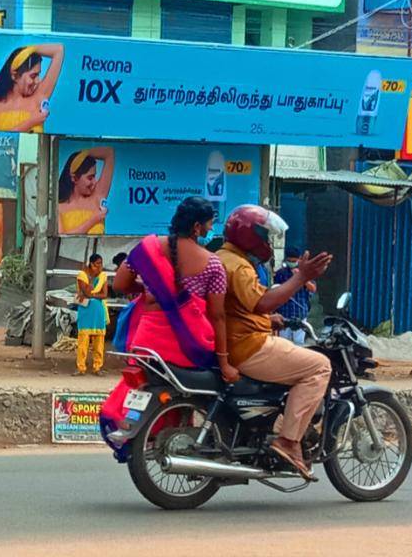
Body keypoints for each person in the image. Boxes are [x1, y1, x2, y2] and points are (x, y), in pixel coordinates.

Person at [216, 205, 332, 481]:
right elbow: (263, 302)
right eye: (263, 235)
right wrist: (301, 277)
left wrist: (268, 320)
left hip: (240, 339)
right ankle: (289, 440)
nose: (267, 242)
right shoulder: (238, 266)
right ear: (249, 235)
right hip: (249, 346)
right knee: (320, 366)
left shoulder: (224, 257)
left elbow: (239, 309)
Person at [113, 197, 231, 375]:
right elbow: (218, 316)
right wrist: (224, 363)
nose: (211, 228)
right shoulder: (213, 263)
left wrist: (151, 287)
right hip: (189, 349)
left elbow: (119, 284)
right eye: (210, 223)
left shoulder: (147, 248)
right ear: (197, 227)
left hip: (147, 346)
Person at [0, 43, 64, 133]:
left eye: (38, 75)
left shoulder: (38, 98)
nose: (38, 81)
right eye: (33, 76)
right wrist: (30, 122)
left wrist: (30, 49)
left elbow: (58, 50)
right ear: (14, 76)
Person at [57, 147, 115, 235]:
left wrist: (84, 153)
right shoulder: (58, 207)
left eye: (94, 176)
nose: (95, 182)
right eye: (90, 178)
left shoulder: (97, 196)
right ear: (74, 178)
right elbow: (62, 238)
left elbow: (109, 153)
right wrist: (94, 220)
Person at [274, 246, 317, 345]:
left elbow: (313, 289)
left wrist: (300, 277)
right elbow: (275, 290)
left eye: (294, 261)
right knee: (284, 344)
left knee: (299, 343)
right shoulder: (281, 273)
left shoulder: (305, 272)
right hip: (284, 315)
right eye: (289, 261)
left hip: (300, 313)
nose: (292, 263)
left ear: (299, 259)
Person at [75, 254, 109, 376]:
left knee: (99, 341)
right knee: (83, 340)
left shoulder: (103, 276)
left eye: (101, 263)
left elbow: (104, 295)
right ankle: (81, 367)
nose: (99, 266)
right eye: (97, 264)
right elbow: (86, 292)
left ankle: (97, 367)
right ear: (91, 263)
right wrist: (91, 279)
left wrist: (92, 295)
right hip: (86, 311)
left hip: (98, 311)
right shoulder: (82, 275)